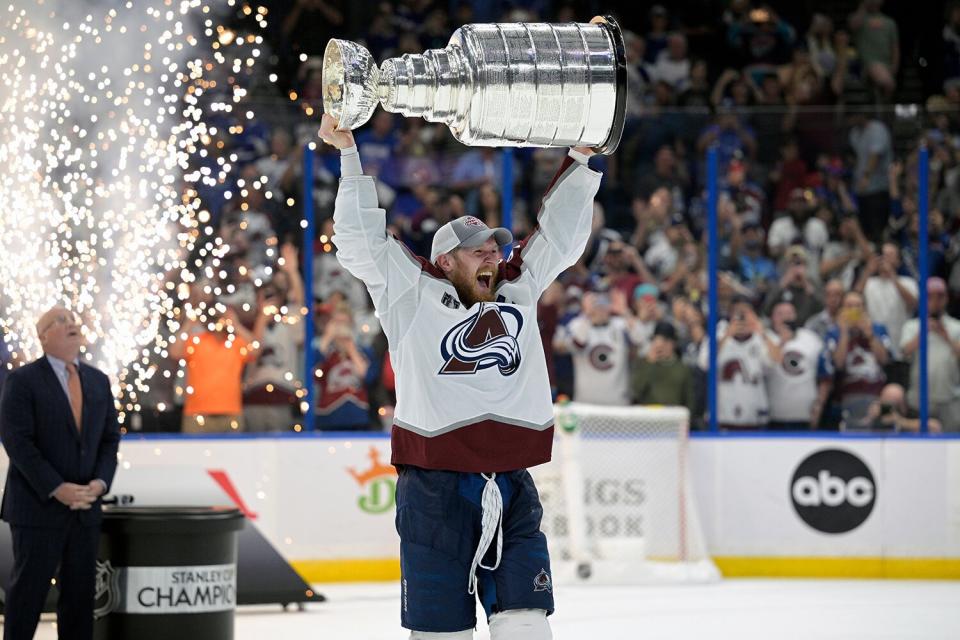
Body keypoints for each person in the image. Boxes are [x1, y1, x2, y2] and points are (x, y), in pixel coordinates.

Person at [321, 113, 601, 639]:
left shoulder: (518, 287)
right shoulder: (410, 293)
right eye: (479, 252)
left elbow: (560, 236)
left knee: (527, 627)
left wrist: (582, 158)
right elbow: (360, 243)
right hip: (434, 494)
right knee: (440, 636)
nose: (494, 257)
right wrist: (348, 155)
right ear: (446, 262)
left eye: (496, 249)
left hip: (512, 485)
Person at [0, 307, 120, 640]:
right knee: (27, 597)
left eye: (74, 321)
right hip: (38, 508)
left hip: (85, 509)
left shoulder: (97, 380)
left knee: (80, 600)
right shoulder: (23, 381)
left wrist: (99, 483)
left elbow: (110, 439)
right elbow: (17, 442)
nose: (72, 325)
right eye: (61, 321)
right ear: (43, 336)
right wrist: (56, 487)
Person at [701, 297, 780, 429]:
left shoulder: (762, 336)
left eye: (746, 313)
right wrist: (726, 336)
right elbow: (705, 363)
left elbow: (777, 361)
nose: (742, 317)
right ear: (730, 315)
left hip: (754, 416)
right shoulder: (718, 333)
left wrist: (762, 333)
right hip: (722, 416)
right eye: (738, 312)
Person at [818, 290, 892, 428]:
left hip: (876, 394)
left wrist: (870, 335)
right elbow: (838, 364)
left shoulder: (878, 329)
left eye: (858, 306)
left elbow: (884, 360)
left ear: (864, 309)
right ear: (842, 310)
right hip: (846, 396)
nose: (854, 310)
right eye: (849, 306)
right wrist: (844, 334)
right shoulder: (834, 332)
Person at [900, 278, 960, 431]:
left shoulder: (956, 327)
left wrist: (945, 336)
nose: (935, 301)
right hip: (919, 400)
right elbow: (904, 352)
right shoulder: (912, 326)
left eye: (940, 296)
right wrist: (923, 333)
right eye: (930, 296)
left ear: (946, 298)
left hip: (950, 400)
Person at [765, 301, 824, 429]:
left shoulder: (810, 338)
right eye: (780, 314)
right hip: (775, 416)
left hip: (805, 415)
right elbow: (765, 367)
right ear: (772, 318)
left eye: (789, 313)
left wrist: (819, 404)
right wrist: (782, 342)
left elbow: (824, 374)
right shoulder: (766, 338)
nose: (785, 317)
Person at [631, 320, 696, 416]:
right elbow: (636, 390)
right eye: (657, 341)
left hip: (673, 419)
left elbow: (689, 400)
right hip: (648, 418)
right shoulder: (643, 363)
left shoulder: (682, 368)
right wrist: (649, 363)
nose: (661, 346)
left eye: (666, 341)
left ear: (673, 343)